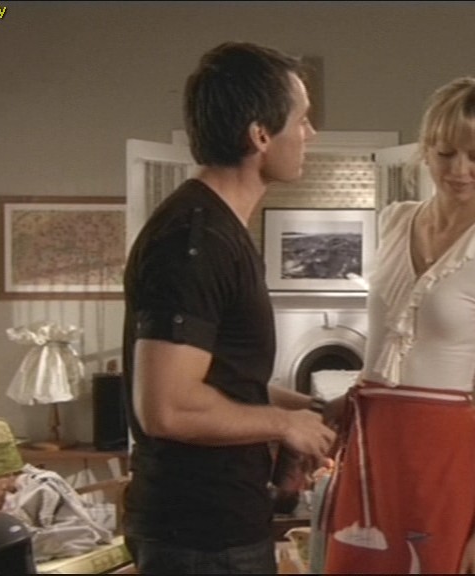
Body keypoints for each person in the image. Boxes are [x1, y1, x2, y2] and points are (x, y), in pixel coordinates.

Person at [121, 41, 337, 575]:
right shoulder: (194, 240)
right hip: (199, 539)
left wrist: (310, 410)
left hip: (223, 527)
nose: (310, 133)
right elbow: (167, 407)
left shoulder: (220, 230)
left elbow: (224, 381)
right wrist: (282, 425)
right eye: (302, 119)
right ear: (260, 135)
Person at [321, 77, 475, 574]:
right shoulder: (393, 221)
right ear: (426, 151)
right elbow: (384, 352)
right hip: (371, 443)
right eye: (446, 153)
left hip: (444, 451)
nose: (460, 170)